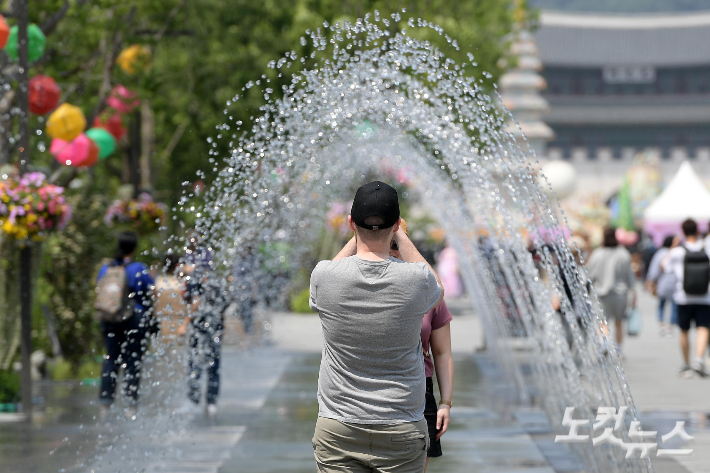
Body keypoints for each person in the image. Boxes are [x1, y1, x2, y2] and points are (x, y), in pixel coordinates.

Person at [309, 181, 444, 473]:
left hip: (338, 427)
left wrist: (356, 237)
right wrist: (402, 238)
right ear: (396, 224)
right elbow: (438, 290)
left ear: (350, 223)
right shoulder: (416, 280)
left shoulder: (325, 275)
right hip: (401, 424)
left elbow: (326, 277)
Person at [389, 220, 453, 472]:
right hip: (369, 389)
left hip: (419, 391)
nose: (392, 251)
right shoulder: (362, 284)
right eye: (388, 243)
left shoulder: (428, 293)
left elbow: (442, 351)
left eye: (398, 244)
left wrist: (446, 401)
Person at [96, 231, 155, 419]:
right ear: (134, 248)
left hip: (109, 318)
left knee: (111, 358)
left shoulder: (106, 269)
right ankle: (131, 404)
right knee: (132, 361)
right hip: (134, 318)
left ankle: (105, 402)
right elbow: (150, 289)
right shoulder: (138, 268)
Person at [662, 219, 710, 378]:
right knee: (703, 327)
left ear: (683, 231)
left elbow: (664, 266)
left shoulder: (677, 251)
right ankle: (698, 359)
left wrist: (673, 247)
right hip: (704, 296)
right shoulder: (707, 247)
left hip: (683, 296)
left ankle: (686, 365)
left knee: (684, 330)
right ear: (697, 230)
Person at [586, 227, 636, 357]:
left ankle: (604, 342)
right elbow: (629, 275)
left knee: (602, 321)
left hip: (601, 293)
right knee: (619, 322)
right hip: (620, 293)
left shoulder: (597, 253)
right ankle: (619, 349)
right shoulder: (623, 253)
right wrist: (633, 292)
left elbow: (590, 274)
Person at [153, 253, 190, 346]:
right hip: (184, 325)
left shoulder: (158, 282)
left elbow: (197, 302)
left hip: (162, 325)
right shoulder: (186, 280)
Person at [645, 236, 678, 336]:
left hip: (663, 282)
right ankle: (671, 326)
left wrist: (650, 280)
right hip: (676, 283)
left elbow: (654, 268)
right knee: (674, 305)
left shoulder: (660, 253)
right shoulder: (677, 252)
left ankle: (662, 324)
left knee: (661, 304)